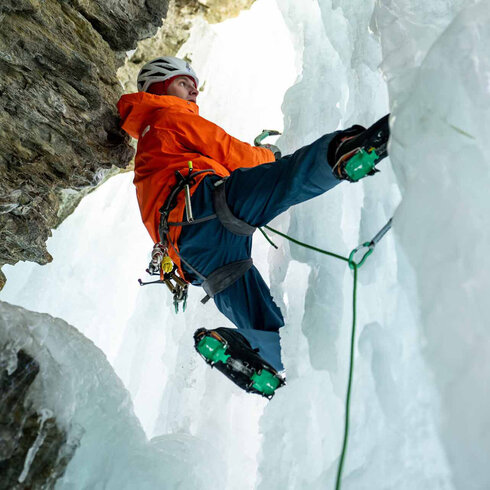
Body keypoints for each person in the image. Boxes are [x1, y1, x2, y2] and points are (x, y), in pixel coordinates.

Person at [117, 56, 390, 398]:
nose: (193, 89)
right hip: (207, 208)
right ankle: (345, 152)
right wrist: (267, 156)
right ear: (159, 87)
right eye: (183, 81)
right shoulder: (168, 117)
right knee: (287, 177)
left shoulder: (149, 149)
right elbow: (231, 152)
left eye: (193, 84)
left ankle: (248, 351)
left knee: (267, 323)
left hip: (197, 256)